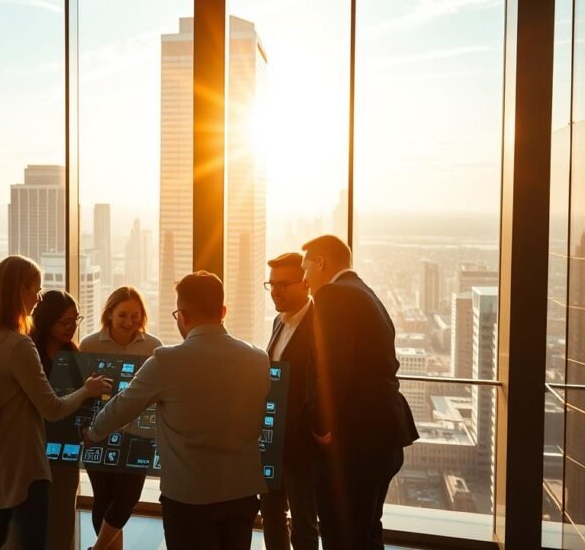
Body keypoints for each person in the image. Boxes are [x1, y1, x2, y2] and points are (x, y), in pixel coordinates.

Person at [84, 271, 270, 550]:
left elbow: (120, 409)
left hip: (188, 497)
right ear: (223, 311)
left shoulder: (166, 361)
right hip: (242, 493)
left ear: (181, 315)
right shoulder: (258, 359)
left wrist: (93, 431)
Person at [0, 257, 111, 549]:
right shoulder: (19, 345)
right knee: (33, 541)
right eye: (36, 289)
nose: (38, 298)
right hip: (22, 460)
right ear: (20, 290)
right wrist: (86, 390)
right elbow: (52, 409)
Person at [300, 235, 419, 550]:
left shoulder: (332, 295)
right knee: (366, 532)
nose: (304, 280)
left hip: (353, 442)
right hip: (385, 435)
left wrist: (321, 426)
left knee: (343, 536)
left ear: (321, 262)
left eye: (305, 268)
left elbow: (332, 368)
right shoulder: (365, 292)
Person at [78, 287, 164, 550]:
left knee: (128, 496)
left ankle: (98, 548)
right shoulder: (90, 344)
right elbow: (82, 391)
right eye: (122, 315)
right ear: (109, 314)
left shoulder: (154, 346)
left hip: (140, 434)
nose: (129, 322)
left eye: (135, 316)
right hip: (99, 431)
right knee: (103, 497)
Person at [259, 253, 319, 550]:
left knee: (304, 520)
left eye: (284, 284)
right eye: (272, 284)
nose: (276, 291)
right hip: (273, 436)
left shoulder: (320, 324)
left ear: (306, 284)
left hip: (302, 441)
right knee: (271, 514)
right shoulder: (277, 323)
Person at [30, 289, 90, 550]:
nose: (72, 328)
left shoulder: (73, 355)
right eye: (65, 322)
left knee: (64, 515)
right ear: (46, 321)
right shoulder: (30, 355)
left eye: (75, 320)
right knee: (35, 518)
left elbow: (82, 403)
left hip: (67, 445)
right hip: (35, 446)